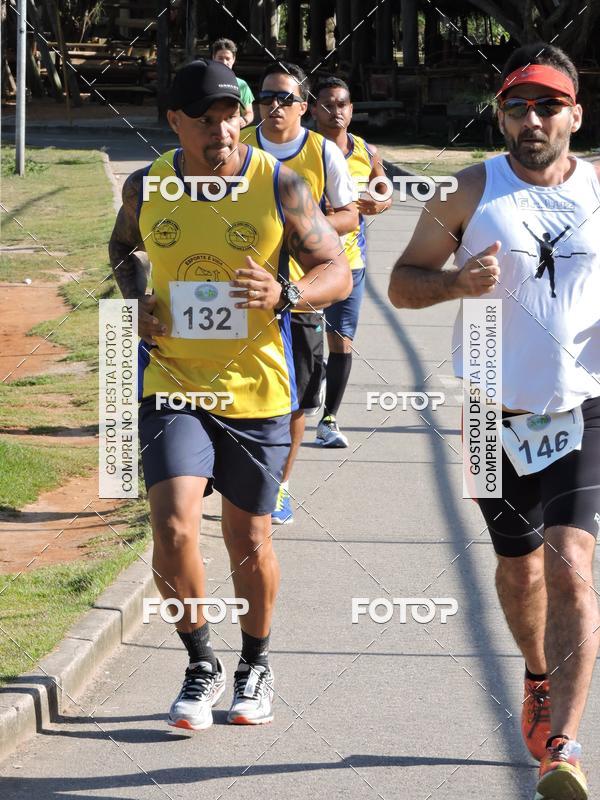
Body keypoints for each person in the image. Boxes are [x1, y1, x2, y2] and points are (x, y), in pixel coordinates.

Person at [108, 59, 351, 731]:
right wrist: (138, 305)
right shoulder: (146, 186)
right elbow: (122, 250)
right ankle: (199, 663)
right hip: (174, 381)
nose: (222, 131)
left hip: (258, 390)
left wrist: (289, 293)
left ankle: (254, 663)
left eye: (230, 116)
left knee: (249, 539)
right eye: (205, 120)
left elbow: (337, 269)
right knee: (176, 524)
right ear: (175, 123)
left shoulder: (281, 185)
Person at [387, 44, 600, 800]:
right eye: (518, 106)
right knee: (519, 567)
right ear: (500, 115)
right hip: (489, 413)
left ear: (575, 113)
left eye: (548, 105)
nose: (533, 119)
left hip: (583, 409)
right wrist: (454, 282)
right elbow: (400, 284)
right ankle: (538, 679)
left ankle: (565, 747)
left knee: (574, 565)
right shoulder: (468, 191)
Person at [244, 61, 358, 522]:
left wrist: (299, 231)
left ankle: (279, 487)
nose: (274, 106)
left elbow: (350, 215)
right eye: (267, 97)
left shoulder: (321, 152)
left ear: (303, 107)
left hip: (302, 290)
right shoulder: (238, 146)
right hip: (244, 289)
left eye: (285, 99)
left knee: (294, 399)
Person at [311, 76, 392, 447]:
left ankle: (329, 420)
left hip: (351, 265)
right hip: (303, 266)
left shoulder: (366, 152)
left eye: (342, 104)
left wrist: (381, 201)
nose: (335, 111)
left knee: (341, 342)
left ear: (351, 109)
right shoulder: (302, 150)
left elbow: (383, 188)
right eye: (327, 104)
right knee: (305, 347)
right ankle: (305, 398)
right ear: (313, 109)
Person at [211, 38, 255, 127]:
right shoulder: (204, 82)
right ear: (213, 58)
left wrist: (244, 120)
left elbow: (249, 113)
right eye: (220, 58)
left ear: (233, 59)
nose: (224, 62)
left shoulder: (242, 85)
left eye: (228, 58)